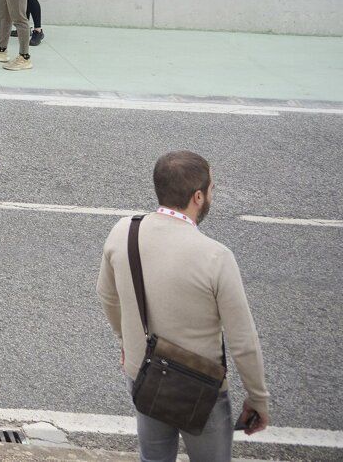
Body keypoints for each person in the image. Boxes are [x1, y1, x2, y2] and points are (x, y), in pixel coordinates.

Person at [98, 152, 270, 462]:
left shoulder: (124, 231)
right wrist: (258, 398)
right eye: (212, 189)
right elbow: (243, 342)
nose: (212, 195)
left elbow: (108, 297)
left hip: (145, 373)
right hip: (200, 390)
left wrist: (127, 342)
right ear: (198, 197)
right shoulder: (216, 257)